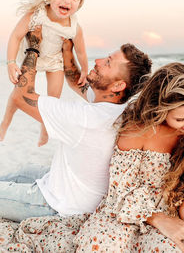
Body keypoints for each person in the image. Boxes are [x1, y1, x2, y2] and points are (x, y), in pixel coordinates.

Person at [74, 62, 184, 252]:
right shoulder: (136, 131)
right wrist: (158, 218)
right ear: (159, 109)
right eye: (180, 119)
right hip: (131, 212)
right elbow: (121, 191)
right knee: (101, 245)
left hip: (178, 214)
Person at [0, 27, 152, 222]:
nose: (97, 61)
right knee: (24, 171)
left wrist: (34, 48)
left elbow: (22, 97)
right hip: (74, 192)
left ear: (117, 86)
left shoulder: (86, 119)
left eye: (107, 63)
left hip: (58, 205)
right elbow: (76, 81)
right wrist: (67, 50)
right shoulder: (116, 107)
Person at [0, 0, 88, 147]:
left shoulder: (73, 26)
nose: (68, 0)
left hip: (55, 61)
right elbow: (15, 37)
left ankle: (45, 131)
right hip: (33, 56)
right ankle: (5, 123)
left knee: (52, 101)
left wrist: (85, 70)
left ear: (80, 2)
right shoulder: (37, 15)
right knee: (17, 93)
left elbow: (80, 51)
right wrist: (10, 62)